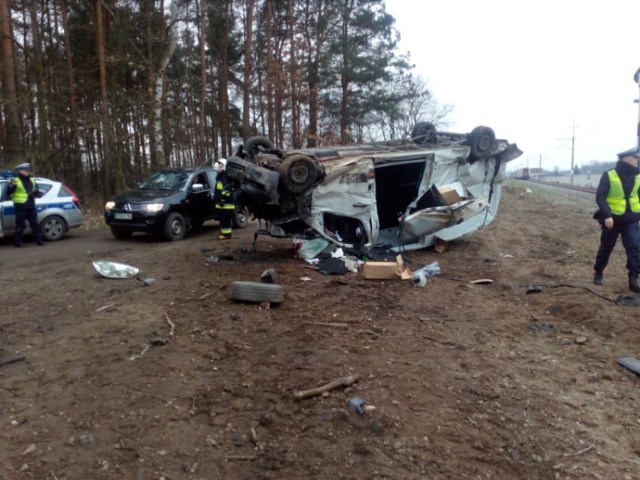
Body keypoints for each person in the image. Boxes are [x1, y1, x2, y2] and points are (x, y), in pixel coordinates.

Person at [592, 148, 640, 292]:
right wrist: (607, 215)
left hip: (631, 218)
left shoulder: (638, 175)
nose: (637, 159)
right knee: (606, 247)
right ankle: (598, 271)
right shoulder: (609, 175)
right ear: (626, 159)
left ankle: (633, 278)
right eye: (635, 157)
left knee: (634, 247)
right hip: (612, 219)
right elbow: (600, 197)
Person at [6, 162, 45, 247]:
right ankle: (17, 242)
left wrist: (38, 193)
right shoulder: (15, 180)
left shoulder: (32, 179)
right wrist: (11, 186)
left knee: (35, 224)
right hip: (21, 206)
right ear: (20, 171)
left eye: (28, 170)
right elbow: (8, 192)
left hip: (31, 205)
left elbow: (36, 190)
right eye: (25, 170)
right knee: (21, 225)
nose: (28, 172)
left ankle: (39, 240)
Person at [213, 158, 235, 240]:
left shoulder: (225, 177)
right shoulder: (220, 177)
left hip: (226, 204)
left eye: (221, 166)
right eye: (218, 167)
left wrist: (222, 200)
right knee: (223, 219)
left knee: (225, 220)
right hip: (223, 204)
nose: (219, 168)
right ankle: (224, 233)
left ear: (224, 167)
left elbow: (227, 190)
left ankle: (226, 235)